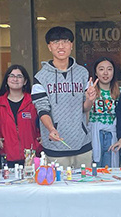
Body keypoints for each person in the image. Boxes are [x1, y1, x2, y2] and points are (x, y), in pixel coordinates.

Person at [31, 26, 97, 169]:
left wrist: (90, 99)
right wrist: (50, 129)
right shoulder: (41, 77)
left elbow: (84, 108)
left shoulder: (82, 73)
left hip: (82, 144)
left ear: (71, 45)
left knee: (84, 185)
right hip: (56, 145)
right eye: (55, 42)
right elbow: (42, 109)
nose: (61, 46)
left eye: (65, 41)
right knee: (58, 187)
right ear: (49, 46)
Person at [0, 64, 42, 168]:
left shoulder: (34, 102)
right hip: (6, 160)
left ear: (25, 81)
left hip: (31, 159)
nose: (15, 79)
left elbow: (44, 125)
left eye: (19, 76)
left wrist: (40, 143)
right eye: (12, 76)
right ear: (7, 79)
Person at [89, 57, 121, 167]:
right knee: (94, 168)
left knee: (109, 169)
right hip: (94, 134)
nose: (105, 73)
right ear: (96, 73)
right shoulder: (90, 91)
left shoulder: (120, 92)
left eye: (109, 69)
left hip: (112, 135)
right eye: (101, 69)